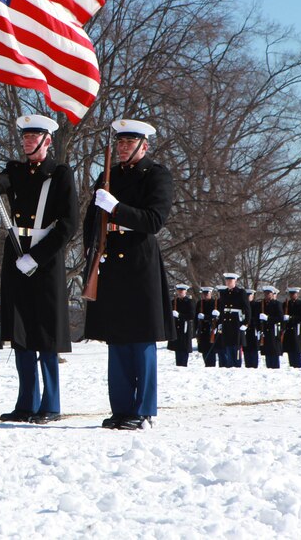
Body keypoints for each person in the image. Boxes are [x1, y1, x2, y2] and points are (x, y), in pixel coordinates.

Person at [0, 114, 77, 424]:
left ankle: (51, 404)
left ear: (47, 141)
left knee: (45, 334)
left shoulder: (60, 174)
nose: (27, 142)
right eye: (25, 138)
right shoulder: (16, 171)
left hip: (44, 259)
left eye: (33, 138)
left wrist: (39, 256)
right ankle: (26, 402)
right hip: (16, 254)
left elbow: (68, 224)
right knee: (20, 332)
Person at [83, 119, 174, 431]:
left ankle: (143, 409)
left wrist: (117, 207)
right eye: (119, 143)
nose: (122, 148)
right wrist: (90, 253)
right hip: (110, 263)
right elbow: (91, 219)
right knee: (117, 340)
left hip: (139, 263)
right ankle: (121, 408)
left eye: (129, 142)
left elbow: (154, 220)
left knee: (141, 341)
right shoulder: (107, 175)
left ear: (143, 145)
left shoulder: (156, 175)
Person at [216, 273, 250, 368]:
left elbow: (247, 309)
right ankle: (229, 365)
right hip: (227, 323)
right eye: (227, 281)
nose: (228, 282)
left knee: (236, 347)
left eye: (230, 281)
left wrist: (246, 323)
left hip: (236, 322)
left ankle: (237, 365)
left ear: (235, 281)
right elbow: (222, 310)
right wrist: (220, 323)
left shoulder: (241, 292)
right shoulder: (224, 293)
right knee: (228, 346)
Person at [167, 284, 195, 367]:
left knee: (184, 348)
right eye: (179, 291)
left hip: (185, 328)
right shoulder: (174, 302)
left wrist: (179, 315)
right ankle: (178, 365)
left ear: (185, 291)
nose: (180, 292)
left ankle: (183, 364)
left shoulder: (189, 302)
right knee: (177, 348)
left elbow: (191, 315)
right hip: (176, 328)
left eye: (182, 291)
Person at [257, 286, 284, 369]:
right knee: (267, 350)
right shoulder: (261, 304)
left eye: (268, 293)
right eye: (265, 293)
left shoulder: (277, 304)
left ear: (272, 294)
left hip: (273, 329)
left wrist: (268, 318)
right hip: (264, 330)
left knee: (274, 350)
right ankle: (268, 366)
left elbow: (280, 318)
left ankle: (275, 367)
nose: (266, 295)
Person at [195, 287, 218, 367]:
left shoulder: (214, 303)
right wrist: (196, 329)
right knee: (204, 349)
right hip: (202, 329)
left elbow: (215, 317)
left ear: (210, 294)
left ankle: (211, 365)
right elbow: (196, 317)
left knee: (211, 349)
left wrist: (205, 317)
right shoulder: (199, 303)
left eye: (207, 294)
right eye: (204, 294)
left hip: (210, 328)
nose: (205, 295)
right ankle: (207, 364)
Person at [283, 287, 301, 368]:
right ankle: (291, 364)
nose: (292, 295)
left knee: (297, 347)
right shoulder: (286, 304)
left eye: (294, 294)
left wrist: (291, 318)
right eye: (291, 294)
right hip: (289, 328)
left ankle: (297, 364)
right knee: (290, 348)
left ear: (297, 294)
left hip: (297, 327)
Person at [243, 287, 262, 368]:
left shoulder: (256, 305)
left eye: (249, 295)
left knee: (253, 349)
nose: (248, 297)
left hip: (253, 329)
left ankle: (254, 365)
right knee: (246, 348)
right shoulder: (243, 305)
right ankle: (247, 364)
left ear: (253, 296)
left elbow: (257, 317)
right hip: (245, 329)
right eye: (246, 296)